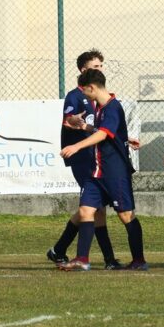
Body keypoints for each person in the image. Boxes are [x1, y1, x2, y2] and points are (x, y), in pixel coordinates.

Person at [58, 69, 147, 271]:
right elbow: (101, 131)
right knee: (85, 210)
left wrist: (77, 146)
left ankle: (139, 260)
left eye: (85, 92)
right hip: (96, 172)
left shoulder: (113, 107)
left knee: (126, 215)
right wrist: (85, 128)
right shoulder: (100, 108)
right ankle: (82, 259)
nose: (84, 96)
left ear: (92, 87)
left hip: (114, 172)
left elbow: (104, 134)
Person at [47, 49, 122, 270]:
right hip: (82, 158)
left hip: (97, 158)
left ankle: (60, 250)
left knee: (95, 208)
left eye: (101, 66)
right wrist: (74, 119)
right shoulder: (76, 95)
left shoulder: (99, 98)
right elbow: (69, 118)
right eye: (95, 66)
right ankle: (104, 259)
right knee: (92, 207)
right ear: (83, 70)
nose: (100, 69)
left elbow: (103, 128)